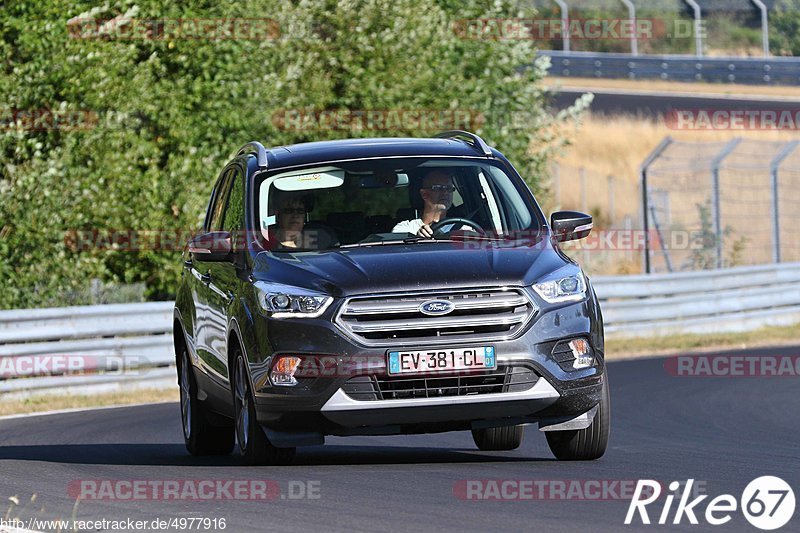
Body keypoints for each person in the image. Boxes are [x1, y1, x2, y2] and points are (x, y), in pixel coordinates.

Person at [393, 169, 461, 237]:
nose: (445, 193)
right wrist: (416, 238)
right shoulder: (405, 228)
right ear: (424, 194)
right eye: (438, 188)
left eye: (449, 188)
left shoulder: (460, 228)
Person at [267, 191, 336, 250]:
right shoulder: (263, 243)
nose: (295, 215)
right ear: (277, 214)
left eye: (300, 211)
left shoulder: (323, 238)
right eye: (289, 210)